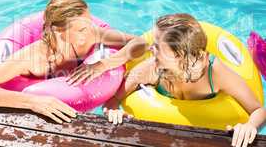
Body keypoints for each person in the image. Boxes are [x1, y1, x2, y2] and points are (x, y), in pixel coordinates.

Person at [0, 0, 147, 124]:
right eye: (81, 29)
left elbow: (139, 43)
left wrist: (103, 65)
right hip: (36, 121)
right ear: (57, 30)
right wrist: (34, 101)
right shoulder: (34, 56)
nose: (89, 31)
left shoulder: (91, 32)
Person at [102, 13, 266, 147]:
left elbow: (259, 110)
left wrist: (249, 126)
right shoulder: (151, 68)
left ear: (178, 56)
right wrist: (113, 111)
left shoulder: (214, 72)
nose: (151, 49)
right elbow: (114, 98)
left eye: (157, 46)